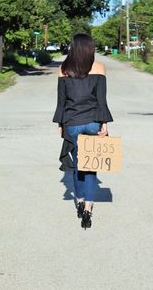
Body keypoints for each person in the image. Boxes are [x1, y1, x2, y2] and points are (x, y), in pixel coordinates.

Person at [53, 33, 113, 229]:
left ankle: (79, 201)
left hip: (72, 122)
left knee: (79, 165)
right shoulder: (99, 68)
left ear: (72, 48)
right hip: (93, 121)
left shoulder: (63, 70)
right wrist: (105, 124)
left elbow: (61, 101)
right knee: (91, 167)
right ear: (90, 48)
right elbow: (101, 100)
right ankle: (88, 208)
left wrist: (60, 125)